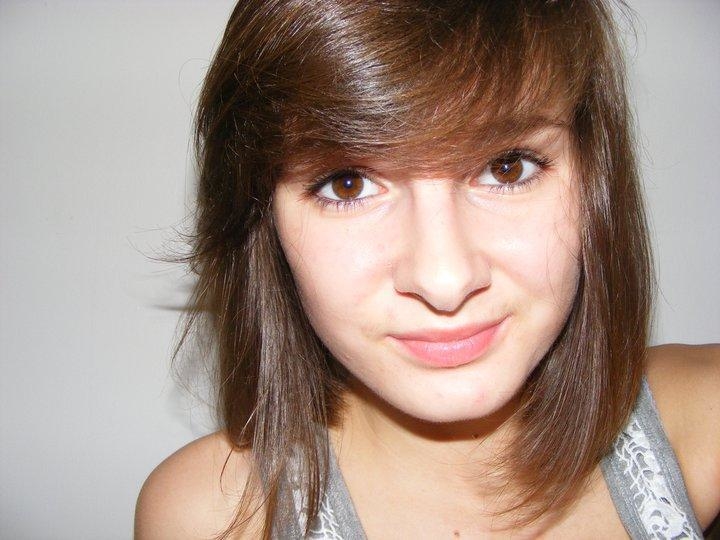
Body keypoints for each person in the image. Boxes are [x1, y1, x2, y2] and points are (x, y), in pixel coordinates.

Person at [134, 1, 720, 538]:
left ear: (595, 179)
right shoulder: (205, 517)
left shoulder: (708, 420)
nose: (446, 281)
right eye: (348, 184)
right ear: (265, 224)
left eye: (508, 168)